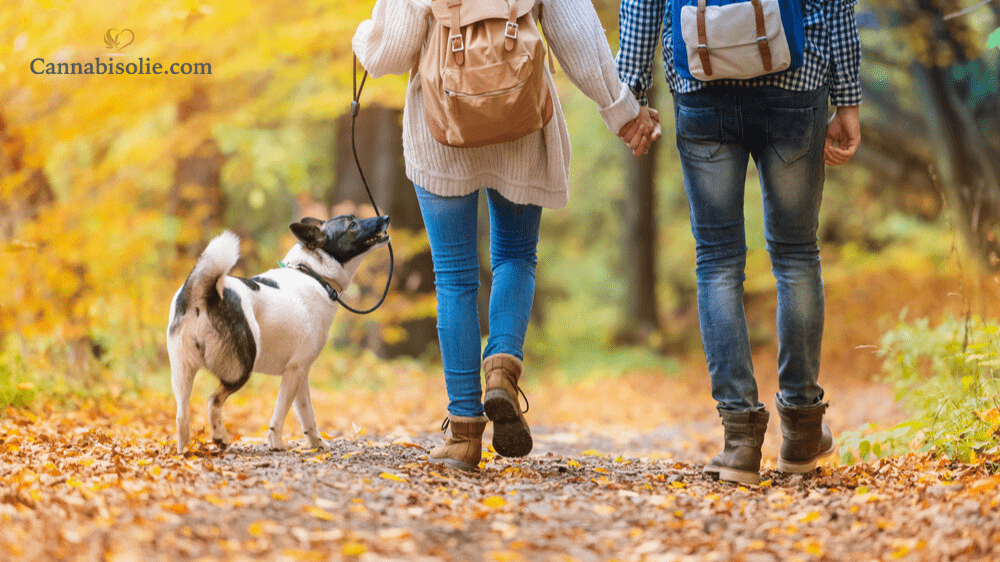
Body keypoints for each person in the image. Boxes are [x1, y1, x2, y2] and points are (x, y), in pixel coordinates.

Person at [353, 0, 661, 471]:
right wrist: (622, 111)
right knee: (515, 257)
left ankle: (463, 434)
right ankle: (502, 367)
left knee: (455, 278)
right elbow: (578, 36)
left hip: (443, 126)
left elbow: (388, 54)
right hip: (522, 118)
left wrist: (363, 39)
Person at [617, 0, 862, 484]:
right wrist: (848, 100)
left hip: (701, 87)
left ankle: (740, 440)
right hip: (795, 81)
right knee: (795, 256)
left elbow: (641, 5)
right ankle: (801, 429)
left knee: (717, 263)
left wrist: (631, 96)